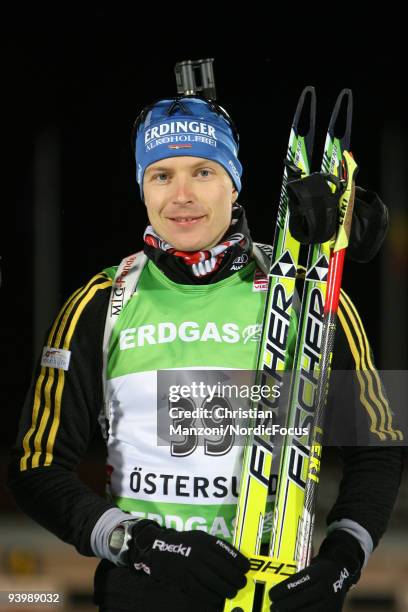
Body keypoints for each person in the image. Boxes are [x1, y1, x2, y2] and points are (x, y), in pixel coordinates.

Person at [7, 95, 403, 612]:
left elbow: (379, 444)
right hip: (141, 596)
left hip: (279, 593)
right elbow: (36, 467)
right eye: (161, 176)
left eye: (203, 171)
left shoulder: (308, 294)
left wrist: (342, 562)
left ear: (234, 182)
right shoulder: (101, 302)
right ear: (142, 189)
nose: (183, 195)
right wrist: (140, 542)